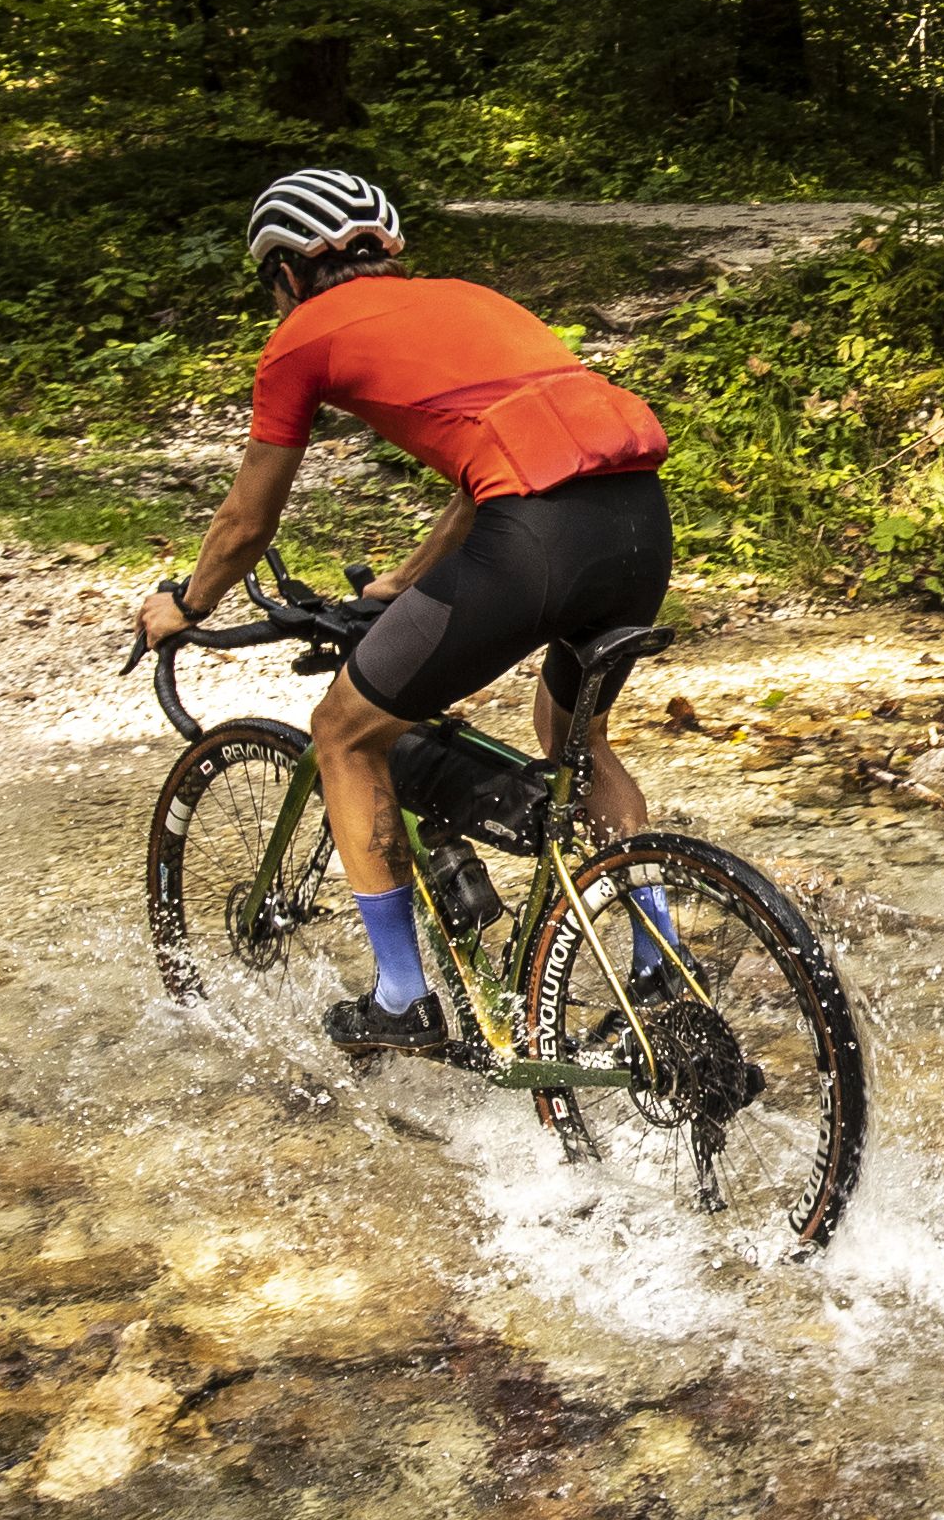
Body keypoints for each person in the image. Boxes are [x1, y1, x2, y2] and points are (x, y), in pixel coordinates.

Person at [138, 169, 675, 1058]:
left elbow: (247, 522)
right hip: (638, 522)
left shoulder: (299, 339)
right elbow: (496, 465)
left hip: (533, 538)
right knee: (573, 734)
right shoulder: (469, 299)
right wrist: (400, 583)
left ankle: (400, 1000)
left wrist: (184, 604)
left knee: (345, 733)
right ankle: (659, 960)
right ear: (382, 250)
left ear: (287, 273)